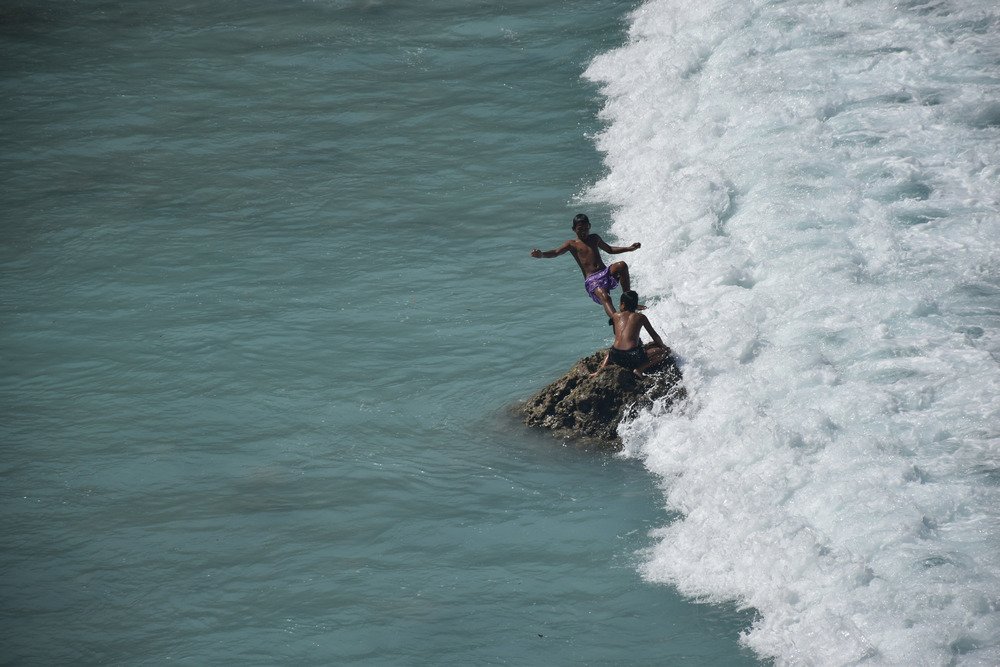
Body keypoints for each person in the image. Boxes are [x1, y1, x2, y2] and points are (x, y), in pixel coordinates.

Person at [530, 213, 641, 319]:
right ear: (573, 229)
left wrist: (629, 248)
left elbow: (610, 249)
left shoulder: (594, 238)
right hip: (593, 280)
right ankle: (617, 320)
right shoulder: (572, 244)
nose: (583, 231)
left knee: (621, 265)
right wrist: (542, 254)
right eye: (580, 229)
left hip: (606, 272)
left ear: (590, 227)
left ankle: (628, 302)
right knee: (605, 296)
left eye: (586, 228)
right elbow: (556, 252)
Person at [592, 290, 667, 378]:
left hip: (615, 356)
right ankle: (639, 370)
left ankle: (600, 371)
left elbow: (617, 334)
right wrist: (663, 347)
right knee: (662, 352)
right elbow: (654, 335)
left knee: (611, 350)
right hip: (631, 357)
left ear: (622, 304)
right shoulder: (641, 317)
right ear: (636, 305)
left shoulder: (615, 316)